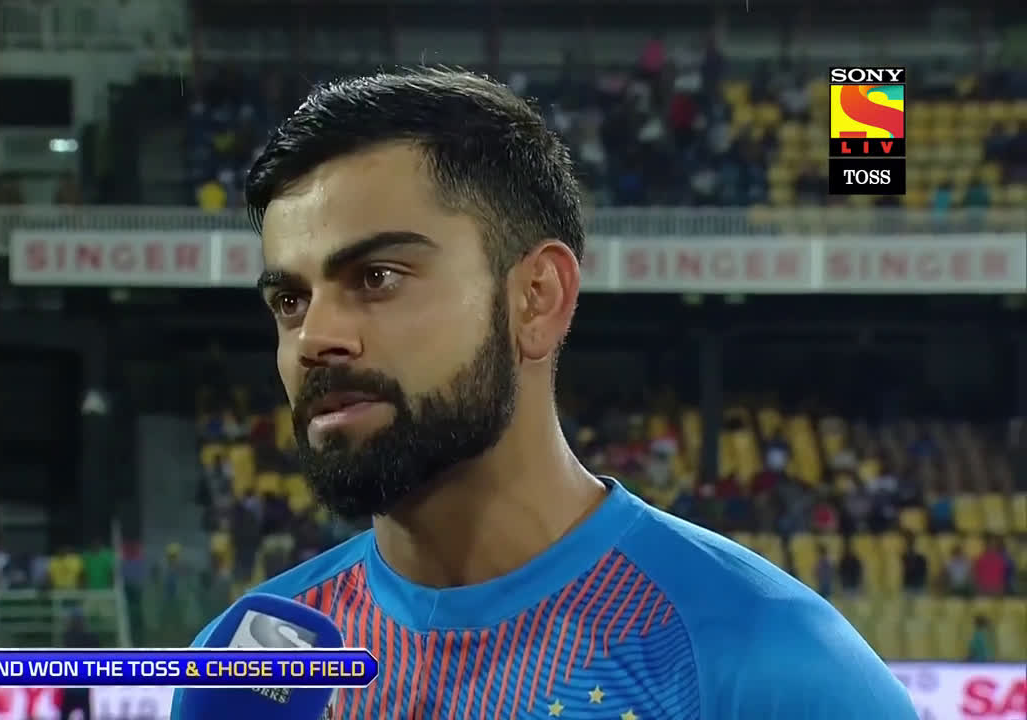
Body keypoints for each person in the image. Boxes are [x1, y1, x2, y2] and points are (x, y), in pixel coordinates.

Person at [171, 68, 915, 719]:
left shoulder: (770, 666)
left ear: (537, 298)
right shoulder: (251, 672)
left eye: (377, 278)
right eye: (290, 301)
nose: (314, 338)